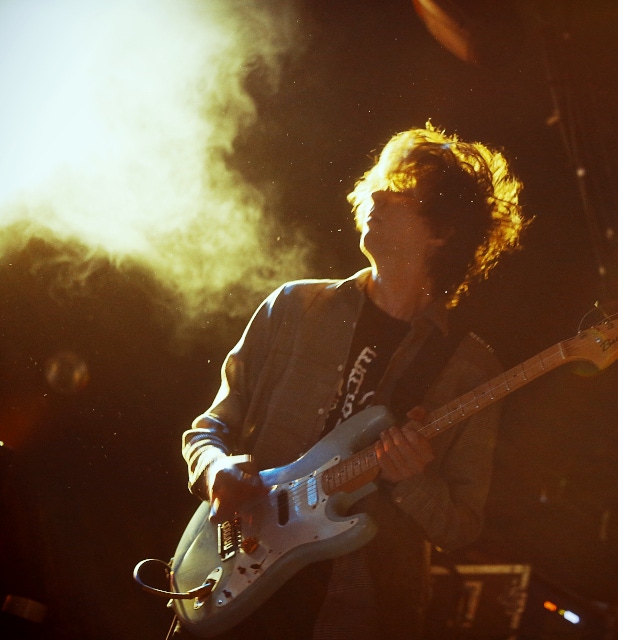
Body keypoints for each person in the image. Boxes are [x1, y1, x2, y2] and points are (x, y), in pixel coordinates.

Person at [180, 123, 528, 639]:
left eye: (404, 190)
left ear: (443, 231)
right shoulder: (295, 307)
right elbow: (209, 428)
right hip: (236, 572)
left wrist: (411, 477)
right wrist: (214, 471)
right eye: (380, 182)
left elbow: (459, 526)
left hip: (357, 608)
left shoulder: (470, 369)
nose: (379, 194)